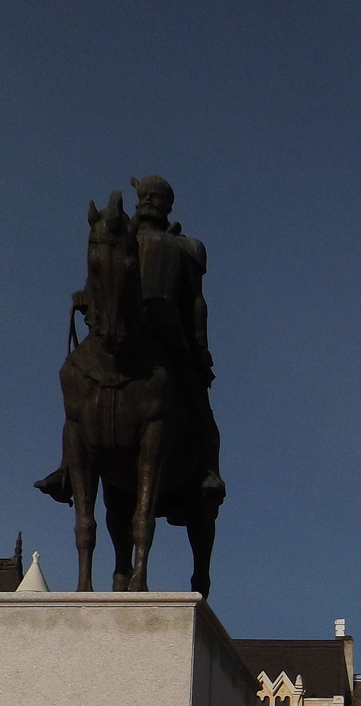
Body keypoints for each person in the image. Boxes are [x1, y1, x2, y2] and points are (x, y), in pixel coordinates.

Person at [37, 174, 226, 504]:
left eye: (152, 197)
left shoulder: (185, 247)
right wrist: (88, 296)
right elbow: (104, 273)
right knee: (78, 374)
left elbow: (195, 299)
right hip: (125, 322)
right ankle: (69, 464)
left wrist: (198, 346)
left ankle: (208, 468)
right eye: (147, 197)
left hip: (162, 328)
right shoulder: (127, 236)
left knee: (192, 391)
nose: (148, 203)